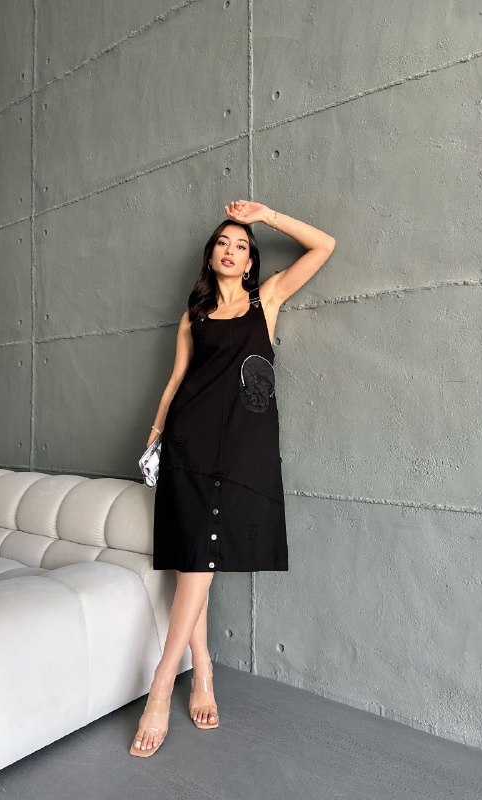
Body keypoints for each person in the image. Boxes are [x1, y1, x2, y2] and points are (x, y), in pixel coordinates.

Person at [130, 200, 336, 756]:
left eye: (241, 245)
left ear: (249, 262)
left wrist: (266, 215)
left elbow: (324, 246)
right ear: (211, 256)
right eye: (223, 242)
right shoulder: (193, 317)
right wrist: (154, 437)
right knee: (194, 561)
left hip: (242, 452)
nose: (231, 250)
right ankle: (198, 674)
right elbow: (176, 381)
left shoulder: (266, 300)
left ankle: (164, 684)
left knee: (201, 560)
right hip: (188, 444)